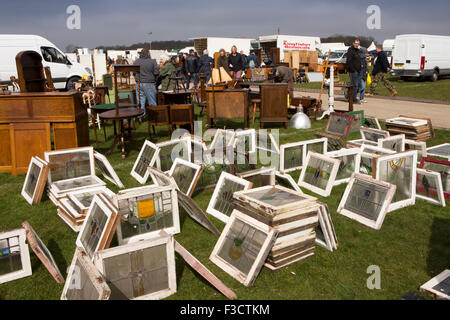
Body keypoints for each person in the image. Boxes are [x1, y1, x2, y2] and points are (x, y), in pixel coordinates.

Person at [133, 48, 159, 116]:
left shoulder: (136, 62)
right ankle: (154, 117)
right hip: (149, 83)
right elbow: (156, 73)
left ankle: (140, 117)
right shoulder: (152, 61)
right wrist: (155, 82)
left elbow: (134, 73)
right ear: (148, 53)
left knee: (141, 102)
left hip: (138, 83)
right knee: (152, 101)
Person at [346, 38, 362, 103]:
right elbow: (348, 61)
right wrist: (353, 69)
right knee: (355, 85)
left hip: (358, 70)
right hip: (353, 71)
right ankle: (353, 99)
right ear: (353, 43)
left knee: (359, 85)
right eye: (356, 43)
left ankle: (347, 94)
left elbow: (358, 60)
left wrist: (360, 66)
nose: (357, 45)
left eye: (358, 43)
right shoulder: (350, 50)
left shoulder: (358, 50)